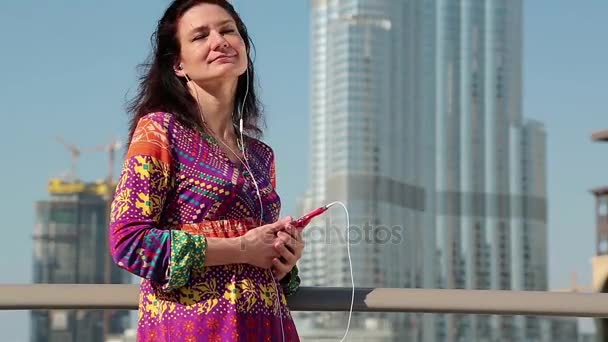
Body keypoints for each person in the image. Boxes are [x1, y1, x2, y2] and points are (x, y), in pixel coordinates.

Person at [108, 1, 303, 341]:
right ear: (178, 64)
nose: (220, 40)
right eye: (200, 36)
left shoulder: (261, 156)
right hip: (193, 328)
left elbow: (259, 258)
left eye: (228, 30)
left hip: (266, 327)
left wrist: (284, 260)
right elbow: (129, 243)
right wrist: (242, 247)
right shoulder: (159, 132)